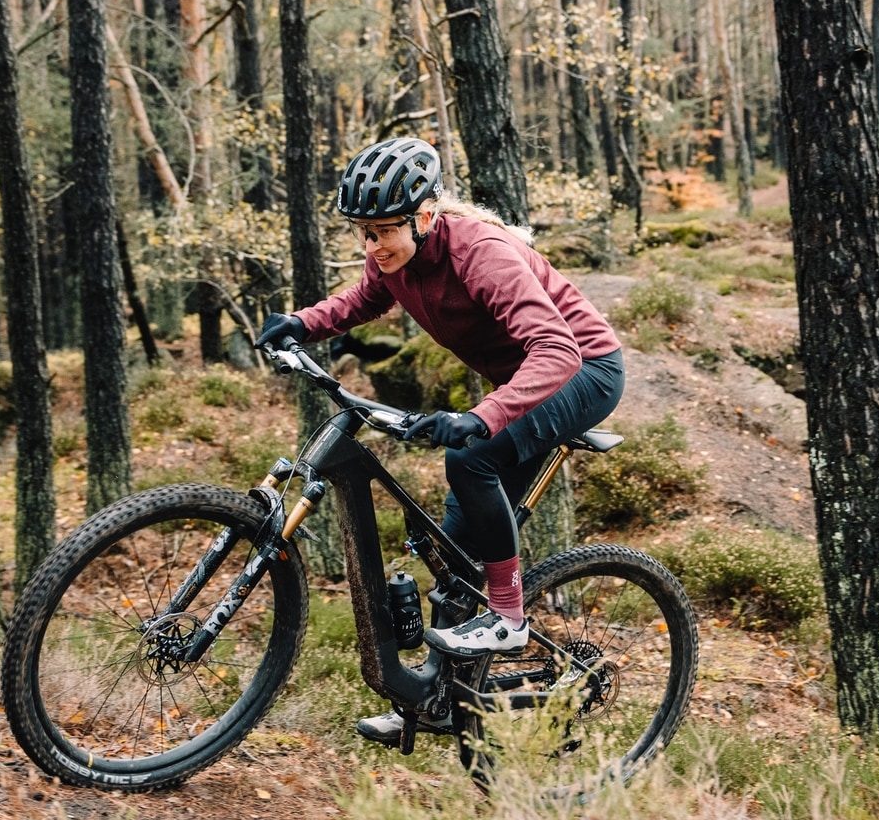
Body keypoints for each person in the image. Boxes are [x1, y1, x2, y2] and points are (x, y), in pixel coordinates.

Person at [255, 137, 625, 745]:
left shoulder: (483, 253)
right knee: (451, 554)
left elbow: (558, 349)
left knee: (471, 457)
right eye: (362, 233)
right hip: (521, 381)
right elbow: (361, 299)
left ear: (424, 217)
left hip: (585, 370)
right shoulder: (394, 259)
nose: (370, 248)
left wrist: (483, 417)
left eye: (381, 232)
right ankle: (431, 702)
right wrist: (302, 322)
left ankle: (508, 617)